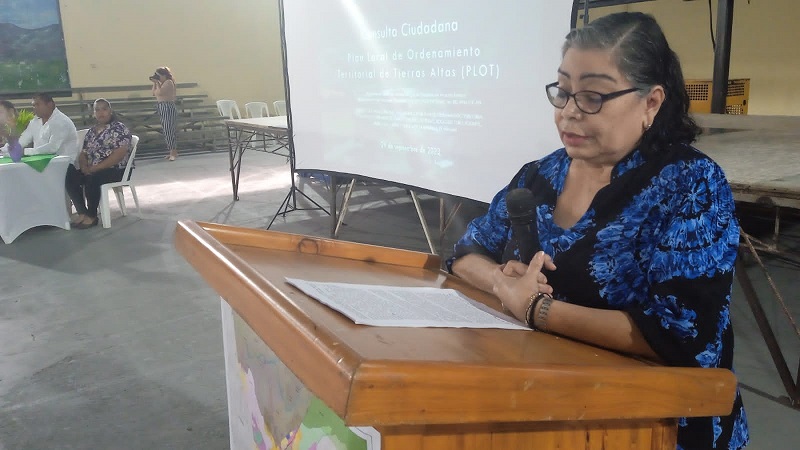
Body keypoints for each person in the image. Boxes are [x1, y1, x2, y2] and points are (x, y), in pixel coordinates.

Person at [447, 12, 748, 450]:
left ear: (651, 103)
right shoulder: (539, 174)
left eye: (593, 96)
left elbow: (681, 333)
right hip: (540, 405)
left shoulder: (690, 185)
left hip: (654, 424)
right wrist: (501, 281)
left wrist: (535, 309)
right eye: (563, 92)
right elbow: (466, 252)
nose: (569, 112)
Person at [65, 99, 133, 229]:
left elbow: (119, 155)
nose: (101, 113)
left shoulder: (119, 128)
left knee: (93, 178)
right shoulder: (92, 131)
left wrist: (94, 168)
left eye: (104, 109)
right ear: (94, 113)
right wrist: (84, 166)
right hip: (92, 168)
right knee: (69, 174)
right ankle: (82, 212)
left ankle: (92, 216)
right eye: (97, 110)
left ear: (110, 111)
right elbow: (83, 153)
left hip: (117, 169)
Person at [14, 93, 79, 165]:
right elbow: (23, 139)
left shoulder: (61, 121)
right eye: (33, 105)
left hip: (64, 165)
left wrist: (25, 152)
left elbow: (52, 147)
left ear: (49, 105)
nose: (35, 108)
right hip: (40, 163)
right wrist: (9, 148)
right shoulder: (35, 121)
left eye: (37, 105)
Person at [151, 66, 178, 161]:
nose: (158, 77)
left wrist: (157, 83)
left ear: (164, 75)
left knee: (169, 129)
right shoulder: (161, 83)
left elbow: (160, 92)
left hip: (167, 106)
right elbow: (153, 93)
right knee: (166, 130)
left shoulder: (168, 82)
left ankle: (173, 152)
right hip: (162, 106)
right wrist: (155, 83)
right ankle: (172, 151)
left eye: (158, 75)